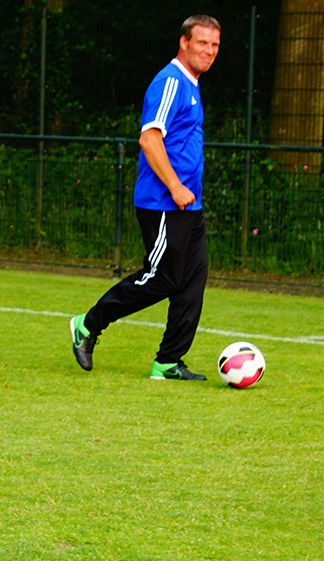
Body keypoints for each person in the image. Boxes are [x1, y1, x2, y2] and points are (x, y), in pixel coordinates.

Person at [70, 15, 220, 381]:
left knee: (192, 281)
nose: (209, 51)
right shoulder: (170, 81)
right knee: (163, 278)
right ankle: (88, 325)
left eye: (215, 45)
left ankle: (168, 362)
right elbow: (150, 139)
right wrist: (175, 187)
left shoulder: (192, 84)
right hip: (165, 203)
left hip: (189, 206)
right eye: (202, 43)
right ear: (183, 42)